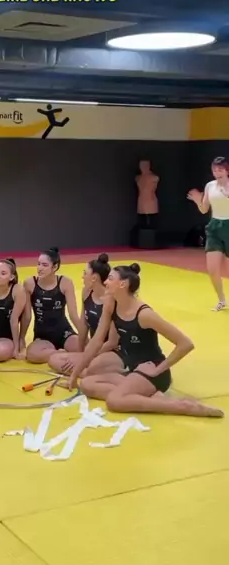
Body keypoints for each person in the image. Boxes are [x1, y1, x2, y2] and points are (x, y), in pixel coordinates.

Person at [67, 264, 223, 417]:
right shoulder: (112, 305)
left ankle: (183, 406)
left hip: (152, 372)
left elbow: (185, 344)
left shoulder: (144, 314)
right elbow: (96, 341)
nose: (106, 282)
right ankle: (146, 396)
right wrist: (75, 375)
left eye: (110, 278)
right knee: (86, 384)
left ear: (123, 284)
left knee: (114, 401)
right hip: (133, 370)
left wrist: (158, 370)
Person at [48, 253, 123, 377]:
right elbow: (83, 326)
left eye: (85, 273)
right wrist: (80, 353)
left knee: (91, 364)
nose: (82, 277)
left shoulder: (112, 301)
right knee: (54, 359)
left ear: (94, 278)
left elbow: (111, 343)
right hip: (94, 348)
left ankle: (93, 372)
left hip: (112, 352)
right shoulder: (86, 292)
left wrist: (86, 357)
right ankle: (89, 372)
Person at [20, 247, 81, 363]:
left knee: (84, 348)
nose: (39, 268)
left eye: (44, 265)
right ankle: (61, 354)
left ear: (55, 267)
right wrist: (21, 338)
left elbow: (73, 315)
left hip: (64, 332)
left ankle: (59, 354)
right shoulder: (30, 283)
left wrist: (84, 337)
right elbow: (27, 316)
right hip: (42, 336)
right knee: (32, 355)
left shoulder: (65, 283)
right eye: (38, 264)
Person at [187, 156, 229, 311]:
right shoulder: (210, 186)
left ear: (227, 171)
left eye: (220, 170)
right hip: (214, 227)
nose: (217, 173)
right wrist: (197, 200)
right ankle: (221, 300)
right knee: (212, 269)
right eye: (214, 170)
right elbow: (204, 209)